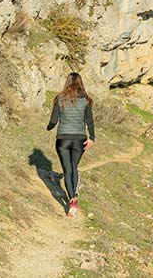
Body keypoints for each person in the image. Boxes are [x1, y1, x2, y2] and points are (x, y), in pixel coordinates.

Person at [47, 71, 95, 217]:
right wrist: (92, 137)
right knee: (74, 168)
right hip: (80, 139)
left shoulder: (60, 99)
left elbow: (54, 121)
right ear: (81, 83)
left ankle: (72, 199)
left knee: (67, 170)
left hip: (63, 139)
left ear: (67, 82)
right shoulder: (86, 100)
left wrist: (49, 127)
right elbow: (89, 121)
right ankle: (73, 197)